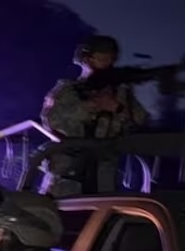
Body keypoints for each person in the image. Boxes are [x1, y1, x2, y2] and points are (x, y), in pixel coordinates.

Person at [40, 35, 149, 196]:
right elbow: (52, 120)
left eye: (110, 58)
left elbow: (140, 121)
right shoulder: (68, 90)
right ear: (86, 60)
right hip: (67, 177)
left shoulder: (120, 93)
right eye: (101, 58)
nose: (106, 63)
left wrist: (118, 108)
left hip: (103, 178)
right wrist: (92, 105)